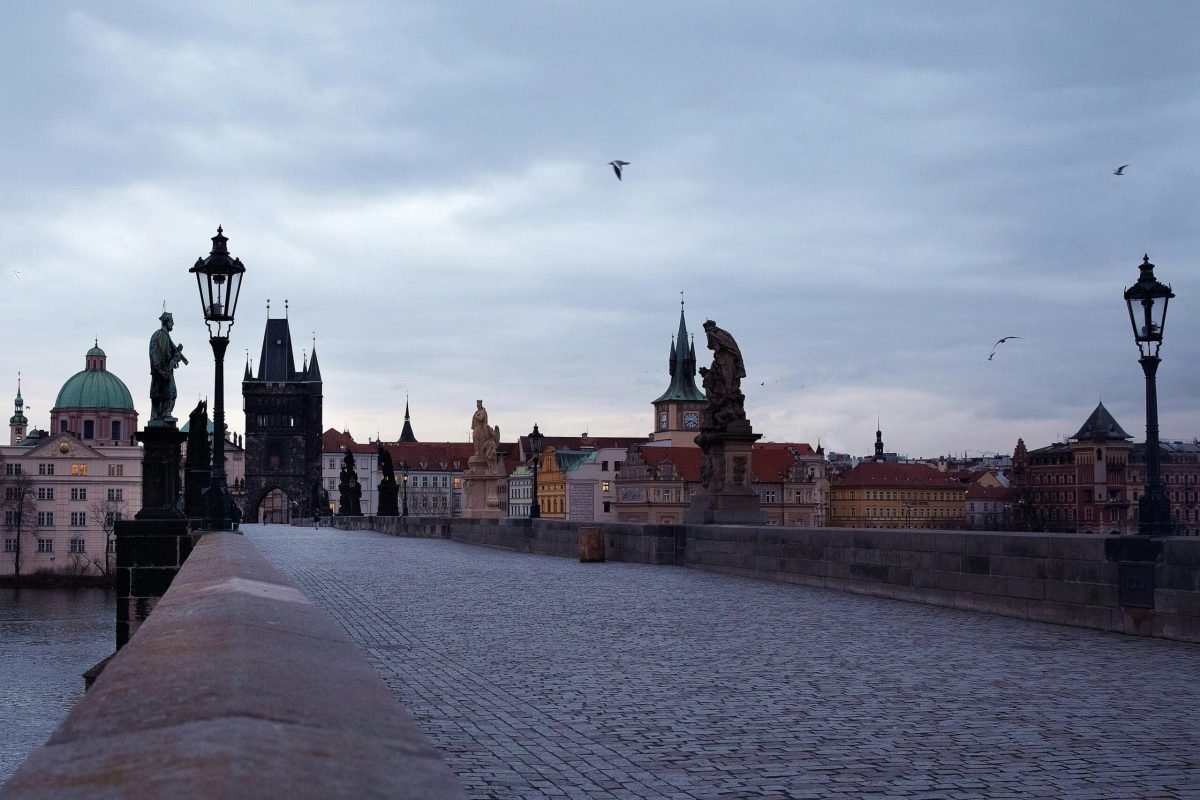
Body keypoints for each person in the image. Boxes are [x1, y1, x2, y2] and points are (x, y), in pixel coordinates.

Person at [149, 312, 187, 423]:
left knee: (163, 394)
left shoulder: (160, 335)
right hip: (163, 372)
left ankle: (161, 414)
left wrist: (175, 356)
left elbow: (163, 353)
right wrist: (174, 358)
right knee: (171, 393)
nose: (173, 324)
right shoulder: (162, 336)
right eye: (171, 321)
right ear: (166, 322)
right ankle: (166, 413)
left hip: (161, 372)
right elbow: (161, 355)